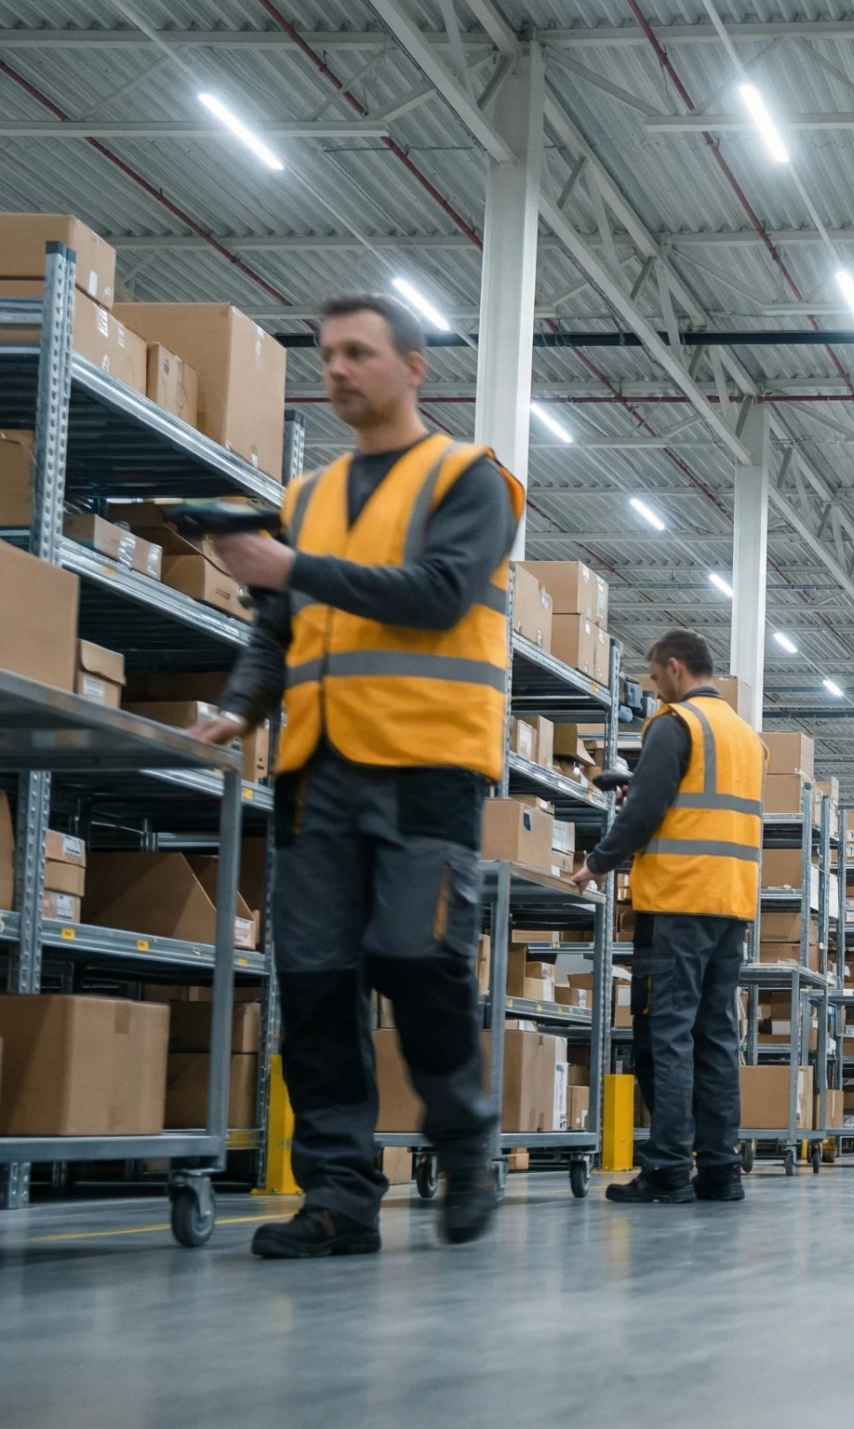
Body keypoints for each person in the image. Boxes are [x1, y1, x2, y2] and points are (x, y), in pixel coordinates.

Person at [192, 293, 523, 1258]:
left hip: (427, 764)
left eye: (358, 352)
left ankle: (465, 1144)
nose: (337, 368)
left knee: (419, 961)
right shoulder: (307, 498)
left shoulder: (469, 478)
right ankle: (338, 1195)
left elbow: (440, 595)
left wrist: (290, 566)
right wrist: (241, 705)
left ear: (413, 367)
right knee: (315, 985)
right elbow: (276, 629)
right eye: (328, 353)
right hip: (316, 773)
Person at [570, 631, 762, 1205]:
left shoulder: (676, 723)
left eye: (656, 680)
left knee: (667, 1035)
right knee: (716, 1037)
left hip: (678, 901)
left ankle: (668, 1170)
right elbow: (697, 806)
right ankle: (721, 1170)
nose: (656, 692)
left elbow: (648, 813)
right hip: (731, 904)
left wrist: (597, 864)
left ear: (675, 668)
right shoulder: (745, 736)